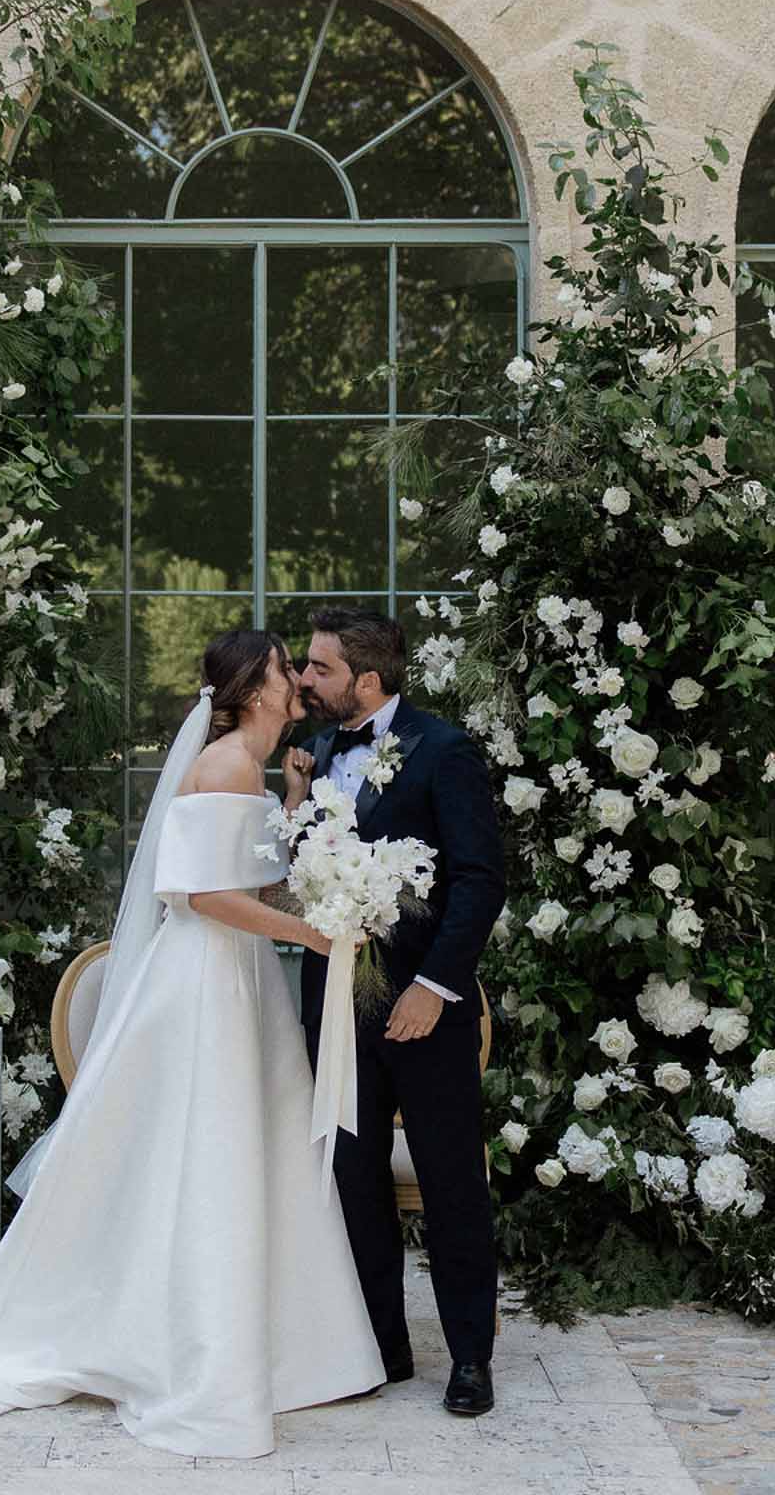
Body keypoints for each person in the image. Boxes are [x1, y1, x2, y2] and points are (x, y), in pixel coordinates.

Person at [0, 629, 384, 1458]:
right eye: (282, 669)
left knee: (247, 1149)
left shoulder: (259, 766)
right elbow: (199, 896)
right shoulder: (226, 763)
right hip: (207, 983)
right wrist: (310, 935)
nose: (296, 681)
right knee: (210, 1153)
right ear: (251, 688)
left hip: (244, 981)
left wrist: (302, 814)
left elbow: (252, 877)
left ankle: (276, 1347)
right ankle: (192, 1348)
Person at [291, 604, 505, 1419]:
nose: (304, 680)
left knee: (452, 1183)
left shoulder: (443, 751)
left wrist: (433, 989)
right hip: (334, 1008)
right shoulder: (312, 752)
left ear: (365, 680)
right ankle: (378, 1348)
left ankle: (470, 1361)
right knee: (351, 1180)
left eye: (317, 668)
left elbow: (478, 880)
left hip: (424, 1008)